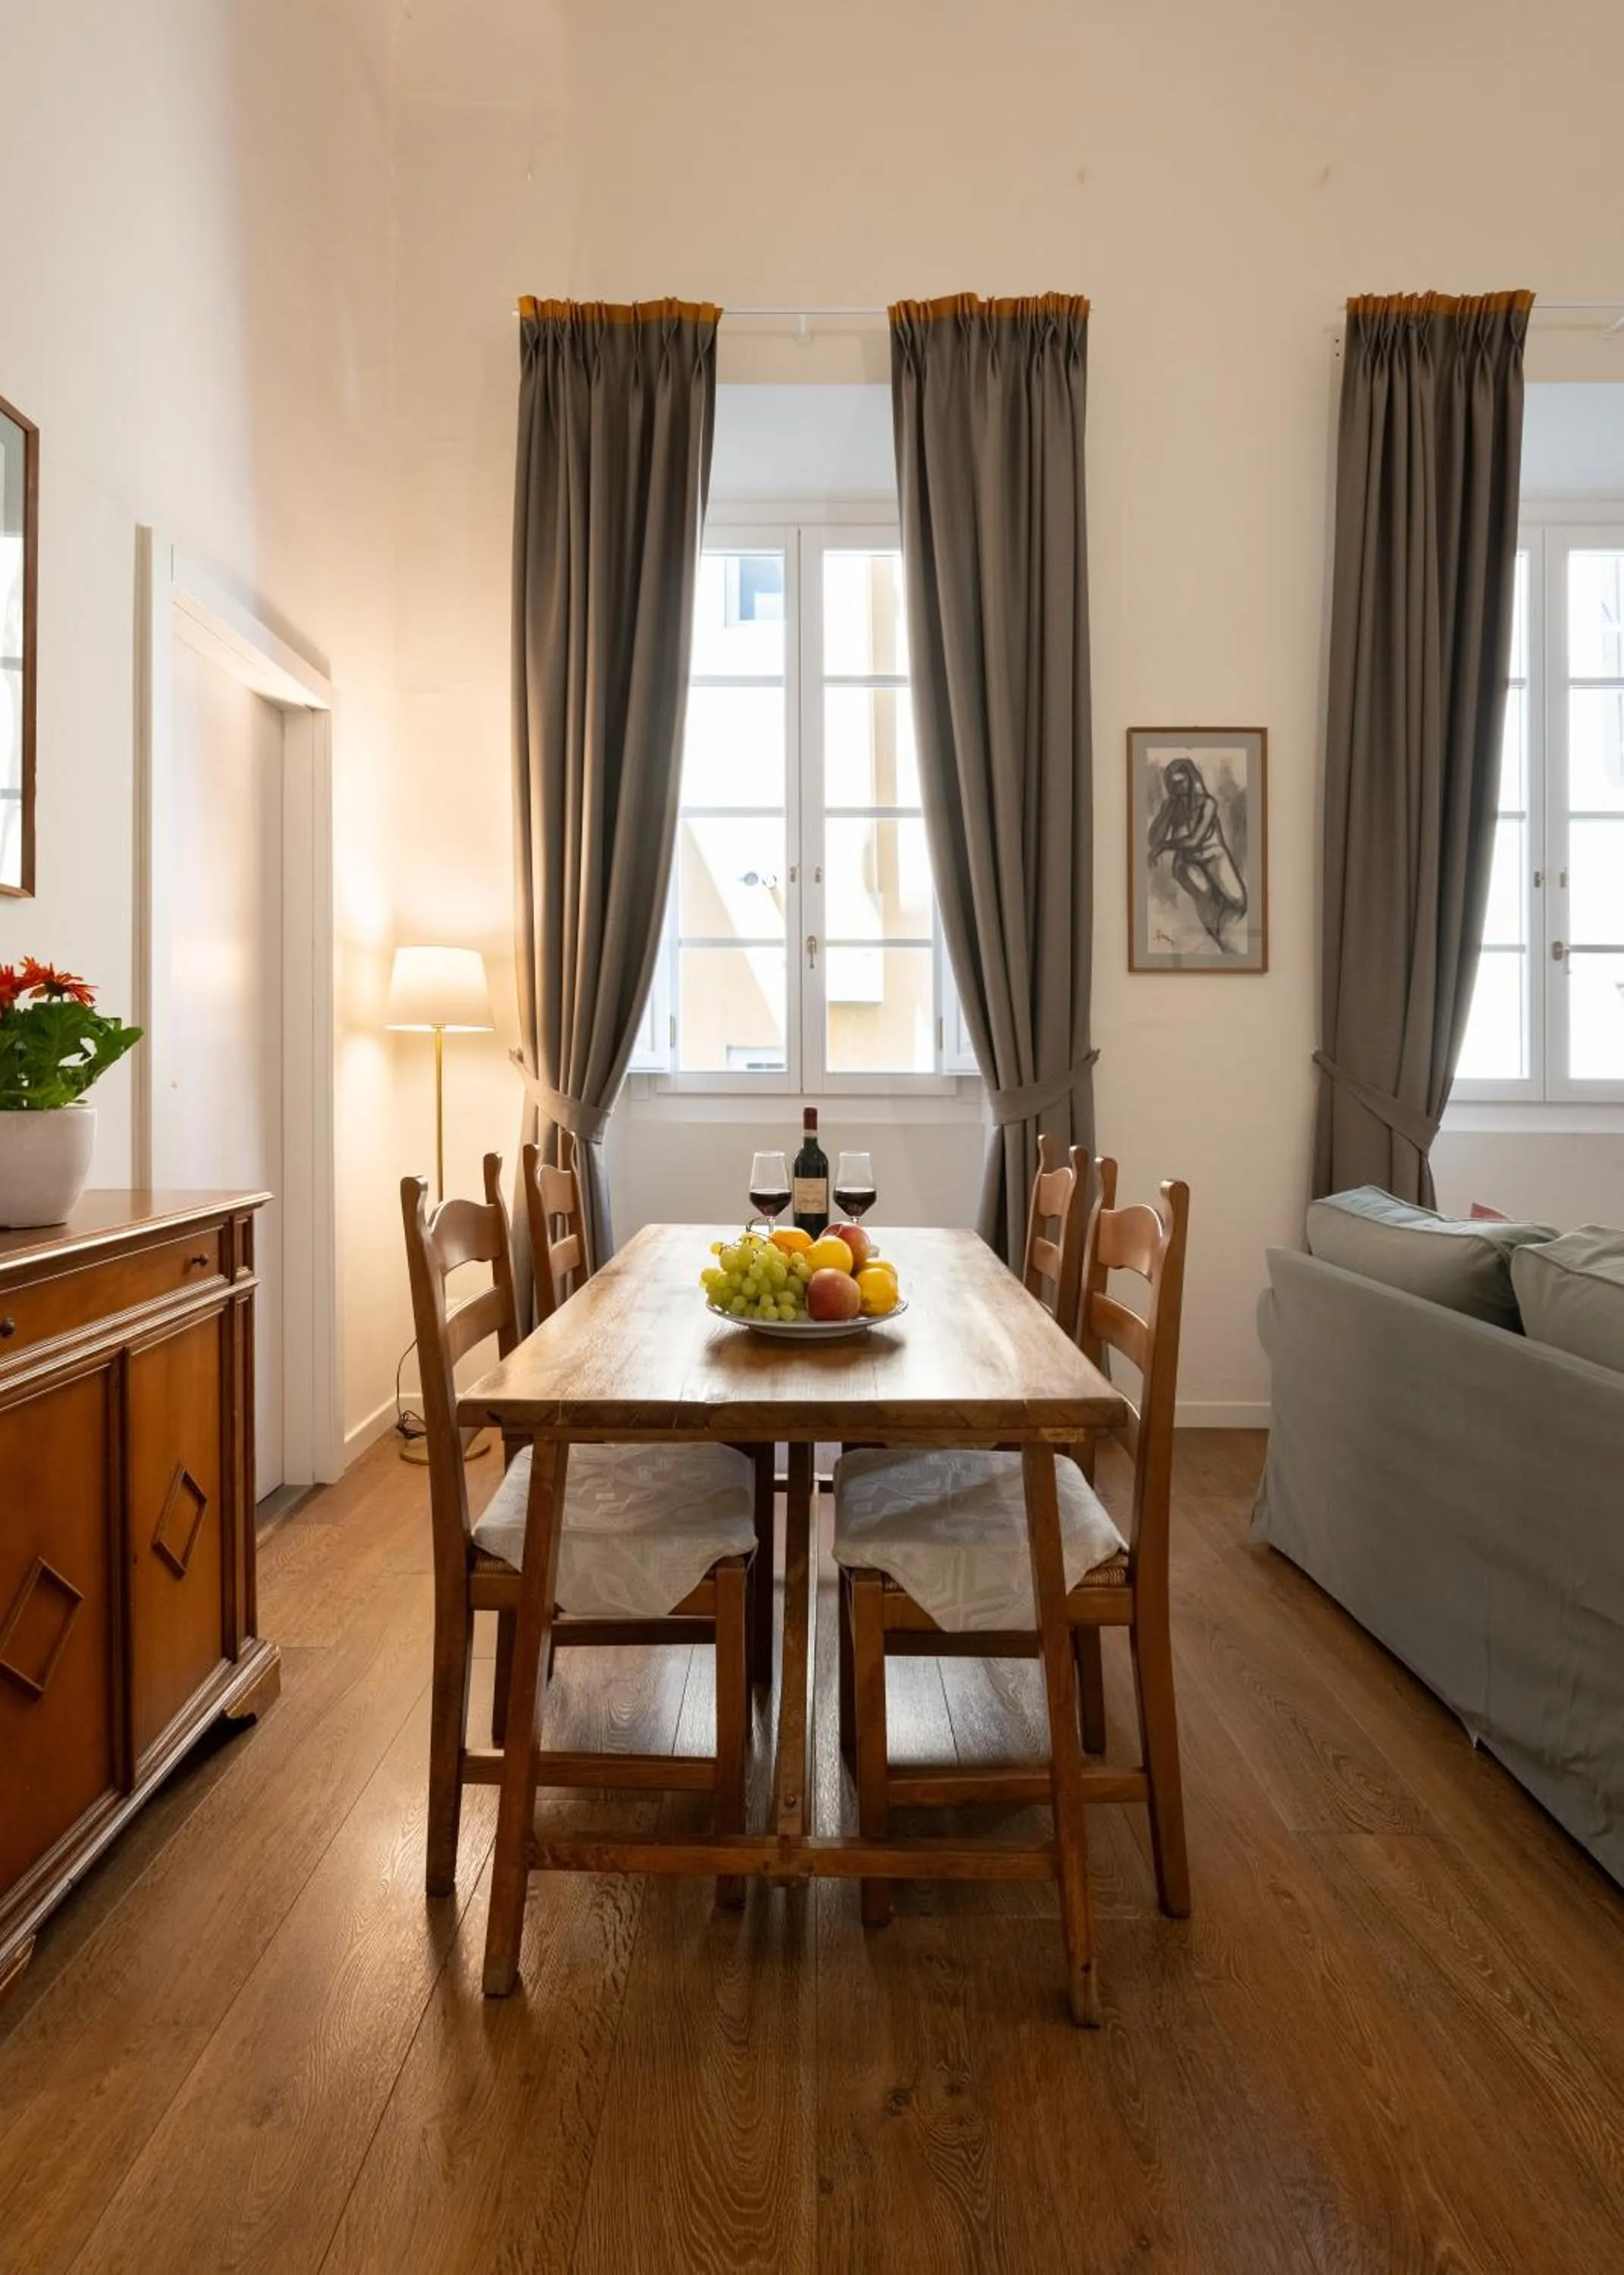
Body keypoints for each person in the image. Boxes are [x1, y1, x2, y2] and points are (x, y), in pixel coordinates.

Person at [1147, 755, 1247, 952]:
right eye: (1172, 783)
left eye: (1181, 782)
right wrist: (1166, 815)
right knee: (1205, 897)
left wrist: (1165, 845)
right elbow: (1153, 838)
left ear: (1192, 779)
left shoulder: (1208, 804)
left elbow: (1194, 840)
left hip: (1214, 855)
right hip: (1186, 861)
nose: (1177, 788)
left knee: (1237, 901)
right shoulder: (1171, 806)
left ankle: (1228, 941)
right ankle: (1222, 943)